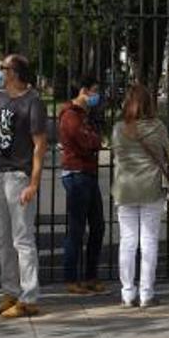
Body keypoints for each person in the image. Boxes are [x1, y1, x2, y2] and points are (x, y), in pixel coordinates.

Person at [0, 54, 47, 319]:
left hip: (19, 175)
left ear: (14, 72)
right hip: (0, 173)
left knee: (22, 238)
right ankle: (10, 289)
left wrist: (34, 182)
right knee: (3, 237)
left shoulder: (33, 102)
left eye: (3, 68)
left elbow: (40, 144)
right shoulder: (0, 98)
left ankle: (29, 296)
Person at [112, 84, 169, 307]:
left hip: (125, 188)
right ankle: (147, 293)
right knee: (149, 242)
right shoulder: (158, 127)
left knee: (127, 242)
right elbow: (167, 154)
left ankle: (127, 292)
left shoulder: (119, 128)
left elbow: (116, 153)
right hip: (151, 187)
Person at [59, 76, 106, 295]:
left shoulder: (85, 115)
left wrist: (95, 139)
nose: (96, 96)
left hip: (88, 172)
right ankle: (71, 277)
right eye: (94, 91)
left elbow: (94, 139)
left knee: (98, 226)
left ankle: (90, 275)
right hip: (76, 173)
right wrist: (95, 140)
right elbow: (87, 142)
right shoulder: (71, 115)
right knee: (76, 229)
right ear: (84, 90)